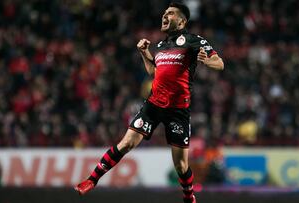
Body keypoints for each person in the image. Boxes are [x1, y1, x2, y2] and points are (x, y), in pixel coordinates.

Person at [74, 2, 224, 203]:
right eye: (164, 12)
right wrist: (145, 54)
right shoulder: (161, 46)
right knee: (126, 143)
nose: (164, 15)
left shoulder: (193, 40)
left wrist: (206, 60)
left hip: (178, 110)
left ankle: (189, 196)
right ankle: (91, 180)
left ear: (182, 20)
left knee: (180, 165)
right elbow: (154, 72)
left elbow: (219, 63)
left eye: (170, 13)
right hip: (153, 105)